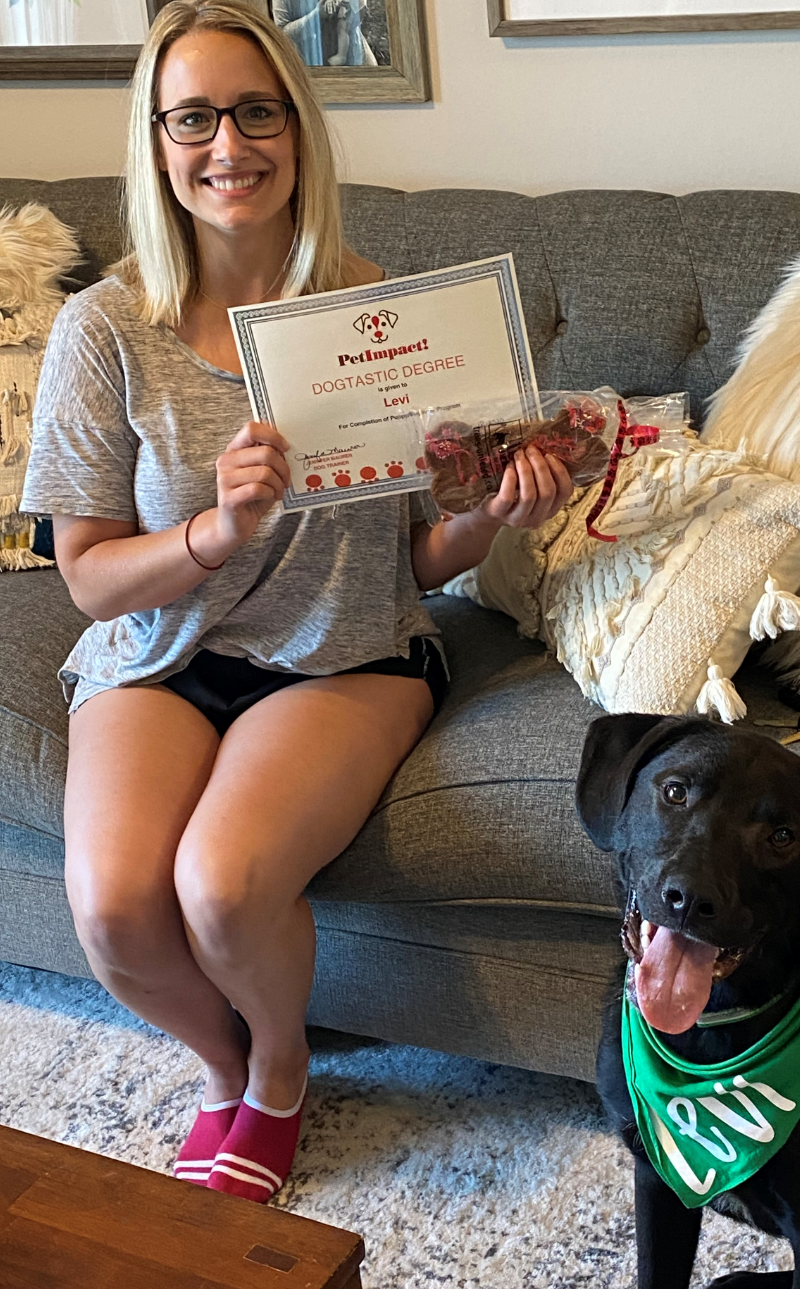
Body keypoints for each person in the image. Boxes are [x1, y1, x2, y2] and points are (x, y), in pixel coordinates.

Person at [20, 0, 572, 1204]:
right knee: (113, 908)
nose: (230, 145)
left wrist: (490, 517)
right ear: (157, 141)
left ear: (298, 128)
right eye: (195, 117)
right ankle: (224, 1068)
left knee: (221, 884)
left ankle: (280, 1074)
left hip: (346, 652)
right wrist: (215, 533)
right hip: (159, 647)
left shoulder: (386, 321)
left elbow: (416, 561)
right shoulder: (103, 330)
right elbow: (86, 575)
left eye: (257, 111)